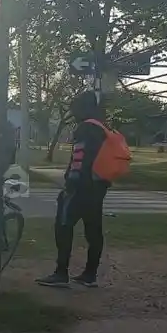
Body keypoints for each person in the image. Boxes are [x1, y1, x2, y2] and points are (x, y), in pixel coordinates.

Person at [36, 91, 110, 288]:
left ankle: (61, 273)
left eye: (74, 108)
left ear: (83, 108)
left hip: (79, 188)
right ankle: (90, 274)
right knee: (94, 230)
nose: (72, 112)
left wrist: (69, 185)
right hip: (98, 185)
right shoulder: (103, 127)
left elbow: (79, 160)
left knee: (63, 226)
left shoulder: (85, 128)